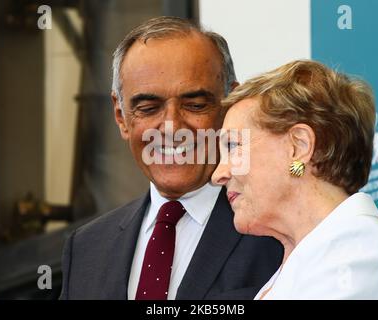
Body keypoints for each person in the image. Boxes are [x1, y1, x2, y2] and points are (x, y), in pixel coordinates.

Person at [60, 16, 283, 300]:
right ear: (121, 116)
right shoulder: (87, 249)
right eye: (149, 108)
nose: (172, 128)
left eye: (195, 105)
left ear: (231, 105)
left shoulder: (278, 231)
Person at [212, 60, 378, 299]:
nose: (218, 174)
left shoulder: (359, 246)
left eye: (233, 146)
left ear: (298, 146)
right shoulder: (301, 261)